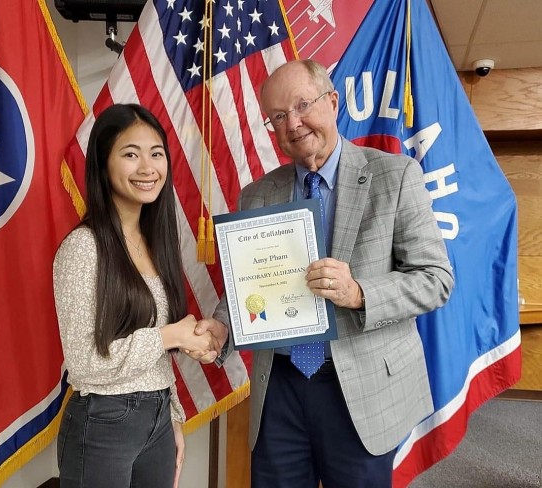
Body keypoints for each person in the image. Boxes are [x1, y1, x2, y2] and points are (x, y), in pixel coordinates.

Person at [195, 59, 454, 488]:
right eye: (278, 116)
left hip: (362, 387)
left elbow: (435, 279)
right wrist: (223, 327)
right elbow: (247, 288)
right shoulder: (256, 194)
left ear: (332, 102)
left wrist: (358, 293)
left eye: (302, 105)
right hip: (278, 387)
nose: (293, 123)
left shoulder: (397, 175)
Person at [53, 103, 213, 488]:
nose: (148, 168)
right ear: (103, 164)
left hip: (156, 419)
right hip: (103, 422)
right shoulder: (83, 248)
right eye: (130, 154)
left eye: (156, 153)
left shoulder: (156, 241)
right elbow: (85, 363)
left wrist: (170, 415)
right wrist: (171, 335)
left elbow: (154, 353)